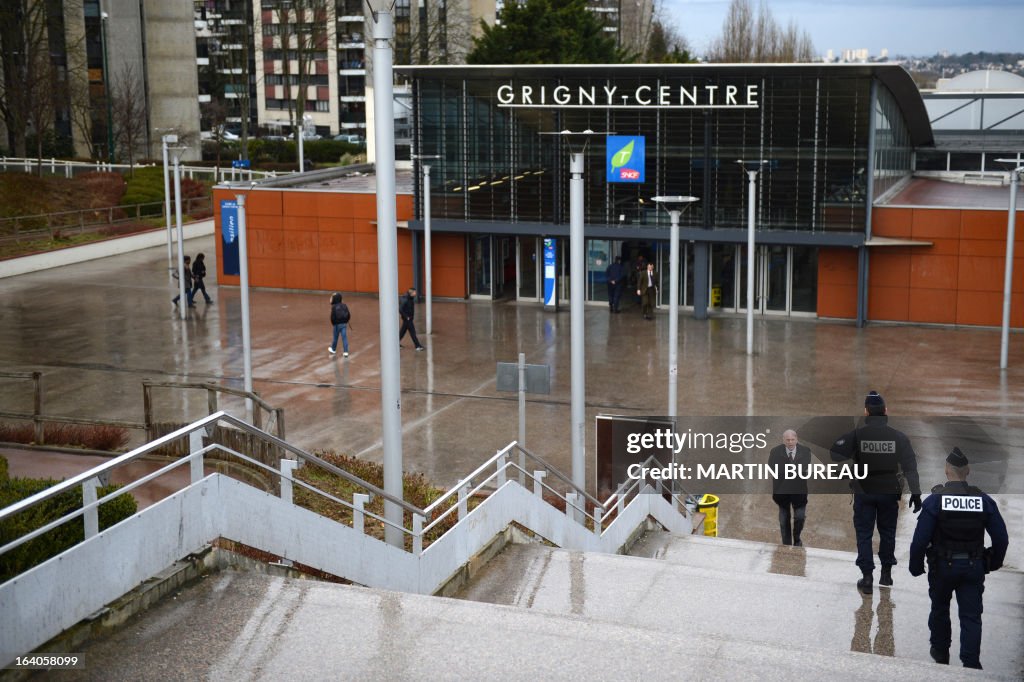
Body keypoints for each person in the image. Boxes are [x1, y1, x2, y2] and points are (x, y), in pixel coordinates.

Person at [909, 448, 1009, 670]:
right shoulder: (983, 501)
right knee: (971, 617)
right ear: (968, 471)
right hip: (974, 567)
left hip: (943, 567)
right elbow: (1001, 538)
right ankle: (971, 664)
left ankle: (941, 655)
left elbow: (920, 540)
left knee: (940, 609)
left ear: (947, 471)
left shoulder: (936, 501)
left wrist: (915, 566)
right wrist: (992, 562)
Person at [830, 390, 922, 594]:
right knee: (888, 532)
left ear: (866, 412)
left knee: (864, 534)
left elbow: (835, 454)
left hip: (865, 491)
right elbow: (910, 467)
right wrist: (916, 493)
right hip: (889, 491)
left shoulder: (858, 435)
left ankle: (867, 576)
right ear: (885, 411)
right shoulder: (898, 437)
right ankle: (886, 573)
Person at [768, 429, 812, 546]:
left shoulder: (805, 451)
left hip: (799, 492)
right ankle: (786, 544)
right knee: (784, 521)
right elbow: (772, 468)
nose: (790, 442)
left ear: (796, 439)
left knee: (800, 517)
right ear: (784, 441)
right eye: (788, 440)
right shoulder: (775, 452)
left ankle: (797, 538)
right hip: (782, 493)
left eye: (792, 440)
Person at [328, 292, 351, 357]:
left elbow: (332, 317)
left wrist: (333, 323)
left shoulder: (334, 307)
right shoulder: (344, 305)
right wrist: (346, 321)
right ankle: (346, 352)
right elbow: (348, 315)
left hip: (336, 325)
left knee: (335, 338)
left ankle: (333, 349)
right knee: (344, 338)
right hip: (344, 324)